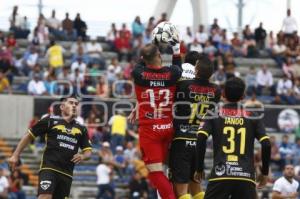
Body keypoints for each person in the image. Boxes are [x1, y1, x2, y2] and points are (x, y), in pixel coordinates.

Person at [197, 77, 271, 199]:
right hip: (245, 176)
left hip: (220, 175)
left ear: (223, 94)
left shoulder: (213, 113)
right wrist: (264, 173)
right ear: (243, 95)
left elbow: (200, 139)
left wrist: (199, 168)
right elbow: (267, 144)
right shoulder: (253, 116)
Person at [8, 95, 92, 199]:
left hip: (67, 173)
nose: (74, 106)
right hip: (49, 168)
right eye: (71, 103)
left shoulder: (82, 128)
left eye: (76, 104)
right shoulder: (50, 120)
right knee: (45, 196)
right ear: (62, 107)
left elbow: (88, 151)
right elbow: (29, 135)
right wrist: (15, 155)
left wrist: (83, 156)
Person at [130, 43, 182, 199]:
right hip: (168, 126)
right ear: (159, 56)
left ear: (144, 60)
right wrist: (176, 49)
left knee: (155, 173)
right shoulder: (171, 73)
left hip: (150, 129)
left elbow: (139, 65)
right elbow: (177, 67)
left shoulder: (139, 74)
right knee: (168, 168)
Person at [170, 55, 221, 199]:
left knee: (181, 190)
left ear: (196, 70)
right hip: (199, 140)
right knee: (196, 187)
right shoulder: (216, 91)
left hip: (182, 138)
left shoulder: (184, 86)